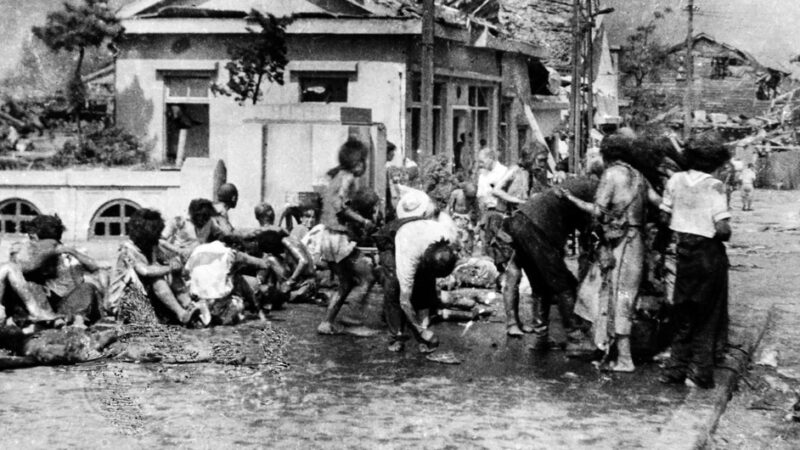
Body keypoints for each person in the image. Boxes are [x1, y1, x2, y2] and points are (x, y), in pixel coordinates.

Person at [562, 135, 661, 372]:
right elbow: (659, 202)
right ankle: (609, 349)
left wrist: (571, 199)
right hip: (637, 243)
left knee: (612, 297)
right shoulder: (638, 176)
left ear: (607, 154)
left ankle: (624, 358)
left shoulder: (611, 174)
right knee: (621, 296)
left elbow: (598, 211)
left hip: (619, 244)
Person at [658, 134, 732, 389]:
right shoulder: (716, 185)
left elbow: (664, 218)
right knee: (707, 315)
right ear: (714, 161)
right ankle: (700, 372)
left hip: (684, 252)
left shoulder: (675, 180)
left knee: (684, 312)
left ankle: (674, 369)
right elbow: (722, 229)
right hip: (709, 253)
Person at [506, 176, 599, 346]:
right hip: (537, 228)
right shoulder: (595, 190)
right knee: (564, 284)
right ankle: (574, 335)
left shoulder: (579, 183)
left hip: (520, 221)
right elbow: (589, 223)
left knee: (540, 285)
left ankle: (541, 336)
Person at [374, 211, 458, 353]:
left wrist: (424, 329)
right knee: (394, 287)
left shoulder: (447, 238)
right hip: (391, 238)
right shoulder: (409, 254)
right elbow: (404, 300)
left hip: (419, 230)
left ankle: (420, 332)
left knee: (425, 284)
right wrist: (421, 331)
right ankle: (396, 336)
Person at [316, 138, 375, 335]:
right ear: (358, 163)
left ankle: (327, 322)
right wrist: (362, 221)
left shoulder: (337, 176)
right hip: (338, 238)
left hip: (326, 236)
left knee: (346, 282)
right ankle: (354, 319)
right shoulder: (347, 177)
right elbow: (340, 207)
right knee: (368, 276)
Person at [107, 209, 200, 325]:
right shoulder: (127, 251)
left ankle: (189, 305)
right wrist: (170, 268)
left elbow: (170, 258)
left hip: (145, 296)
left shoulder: (152, 246)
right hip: (125, 301)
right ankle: (181, 313)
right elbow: (145, 271)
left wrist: (175, 264)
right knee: (157, 278)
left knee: (171, 273)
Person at [12, 215, 105, 327]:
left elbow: (95, 267)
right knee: (31, 284)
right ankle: (52, 320)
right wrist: (51, 253)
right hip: (45, 309)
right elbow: (25, 268)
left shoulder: (66, 253)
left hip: (68, 306)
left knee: (87, 287)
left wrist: (72, 252)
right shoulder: (32, 251)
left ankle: (77, 321)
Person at [475, 147, 508, 259]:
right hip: (486, 214)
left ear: (491, 158)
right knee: (486, 246)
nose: (481, 165)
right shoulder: (482, 175)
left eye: (482, 161)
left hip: (500, 213)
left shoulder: (503, 172)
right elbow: (480, 197)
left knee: (500, 248)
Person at [447, 181, 479, 259]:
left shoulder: (474, 198)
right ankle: (456, 255)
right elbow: (449, 206)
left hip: (466, 218)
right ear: (464, 192)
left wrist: (477, 223)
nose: (469, 199)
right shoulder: (456, 193)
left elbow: (476, 209)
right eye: (468, 197)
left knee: (468, 238)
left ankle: (467, 255)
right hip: (456, 217)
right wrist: (448, 218)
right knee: (456, 237)